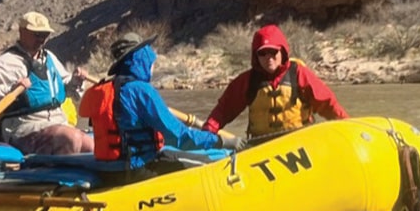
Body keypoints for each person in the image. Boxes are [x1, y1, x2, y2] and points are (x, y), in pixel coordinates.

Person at [82, 35, 227, 172]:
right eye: (151, 62)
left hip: (106, 170)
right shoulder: (141, 91)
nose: (153, 66)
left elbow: (84, 112)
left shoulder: (99, 91)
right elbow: (178, 136)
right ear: (141, 59)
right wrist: (219, 141)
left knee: (169, 155)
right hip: (136, 168)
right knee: (207, 163)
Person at [0, 12, 93, 155]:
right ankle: (54, 175)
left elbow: (64, 85)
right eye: (37, 34)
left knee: (91, 146)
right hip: (25, 128)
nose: (41, 39)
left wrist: (76, 81)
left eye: (45, 34)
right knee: (70, 138)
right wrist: (10, 91)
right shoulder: (7, 61)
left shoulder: (49, 57)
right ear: (22, 32)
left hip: (58, 121)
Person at [204, 24, 347, 140]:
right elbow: (223, 110)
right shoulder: (248, 81)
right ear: (256, 56)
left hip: (299, 143)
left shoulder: (299, 74)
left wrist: (348, 126)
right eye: (263, 53)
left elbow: (328, 104)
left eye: (273, 52)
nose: (269, 58)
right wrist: (208, 132)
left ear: (282, 52)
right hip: (262, 147)